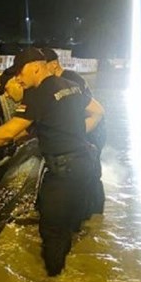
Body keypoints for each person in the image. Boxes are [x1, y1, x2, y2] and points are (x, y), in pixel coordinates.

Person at [0, 48, 105, 277]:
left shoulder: (39, 93)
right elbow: (98, 112)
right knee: (73, 224)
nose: (19, 78)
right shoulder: (68, 85)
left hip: (64, 171)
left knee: (52, 230)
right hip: (86, 164)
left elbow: (9, 132)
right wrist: (75, 133)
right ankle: (72, 271)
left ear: (35, 67)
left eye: (20, 72)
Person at [41, 47, 105, 214]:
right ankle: (92, 218)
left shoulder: (67, 81)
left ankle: (89, 215)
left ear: (54, 65)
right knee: (90, 175)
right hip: (90, 128)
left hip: (90, 130)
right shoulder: (70, 77)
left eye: (42, 66)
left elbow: (80, 112)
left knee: (90, 176)